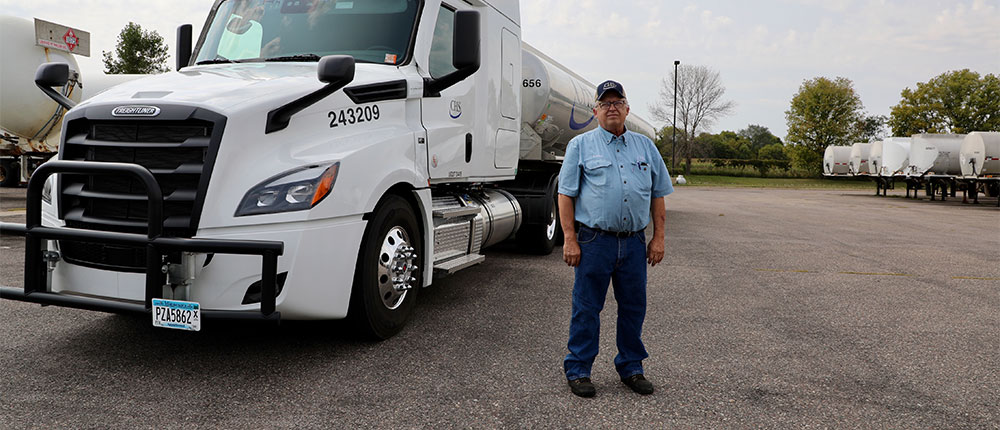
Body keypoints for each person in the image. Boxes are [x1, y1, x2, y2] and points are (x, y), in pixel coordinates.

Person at [557, 80, 673, 397]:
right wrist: (570, 238)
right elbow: (565, 195)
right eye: (605, 103)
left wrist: (658, 237)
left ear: (627, 109)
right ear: (595, 110)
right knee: (586, 307)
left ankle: (631, 367)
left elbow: (658, 195)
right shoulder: (580, 147)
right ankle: (579, 370)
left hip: (634, 242)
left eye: (617, 102)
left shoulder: (646, 147)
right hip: (595, 241)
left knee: (634, 307)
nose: (612, 107)